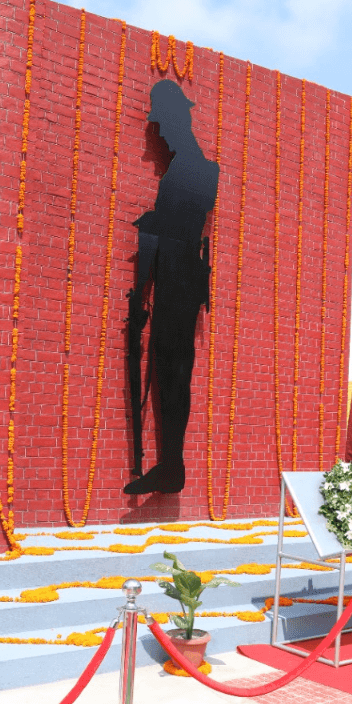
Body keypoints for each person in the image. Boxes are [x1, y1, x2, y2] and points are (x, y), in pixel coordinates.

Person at [123, 80, 219, 495]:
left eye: (161, 121)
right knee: (171, 374)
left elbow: (181, 226)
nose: (156, 131)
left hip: (178, 282)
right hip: (178, 281)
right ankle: (170, 463)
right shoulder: (196, 167)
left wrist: (152, 224)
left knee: (173, 373)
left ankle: (171, 464)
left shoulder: (194, 169)